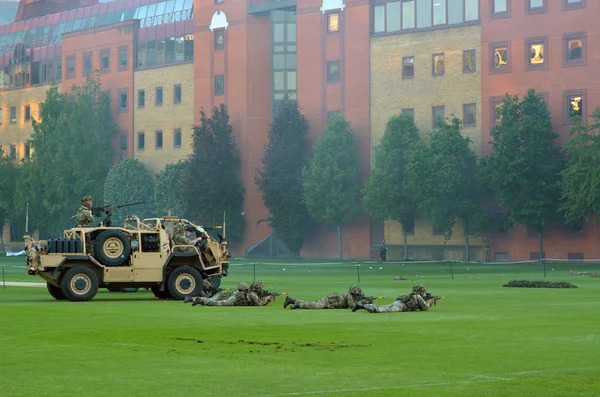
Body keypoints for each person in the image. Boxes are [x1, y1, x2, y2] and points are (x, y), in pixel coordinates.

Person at [351, 284, 431, 313]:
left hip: (399, 303)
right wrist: (429, 303)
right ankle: (370, 308)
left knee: (385, 307)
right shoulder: (418, 296)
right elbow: (425, 309)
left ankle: (364, 306)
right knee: (385, 309)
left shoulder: (414, 295)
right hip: (401, 306)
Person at [283, 285, 363, 310]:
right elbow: (352, 306)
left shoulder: (349, 294)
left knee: (311, 304)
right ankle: (294, 302)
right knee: (313, 306)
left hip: (329, 302)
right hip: (327, 302)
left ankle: (293, 302)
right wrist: (363, 304)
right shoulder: (349, 295)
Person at [185, 282, 250, 306]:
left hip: (226, 294)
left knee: (212, 299)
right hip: (228, 297)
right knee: (217, 303)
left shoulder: (236, 292)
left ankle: (192, 298)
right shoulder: (239, 293)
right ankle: (201, 300)